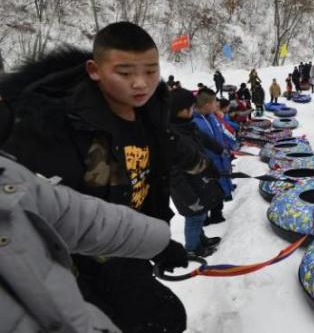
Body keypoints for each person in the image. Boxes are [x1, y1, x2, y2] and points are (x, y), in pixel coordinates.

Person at [0, 21, 187, 332]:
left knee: (169, 318)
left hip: (130, 241)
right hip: (86, 268)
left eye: (151, 71)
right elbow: (56, 216)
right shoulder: (54, 128)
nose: (140, 83)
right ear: (94, 70)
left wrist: (157, 241)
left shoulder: (151, 111)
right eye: (125, 73)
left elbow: (161, 169)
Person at [0, 154, 188, 333]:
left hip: (102, 291)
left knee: (167, 317)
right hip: (91, 277)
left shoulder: (7, 176)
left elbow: (82, 217)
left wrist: (159, 243)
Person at [169, 88, 223, 257]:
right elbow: (173, 175)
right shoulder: (171, 136)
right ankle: (192, 247)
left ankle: (201, 239)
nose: (193, 111)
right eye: (191, 108)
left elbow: (203, 139)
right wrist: (190, 198)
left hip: (198, 181)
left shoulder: (186, 125)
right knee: (194, 217)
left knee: (199, 215)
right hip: (187, 190)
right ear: (182, 111)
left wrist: (219, 149)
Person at [193, 89, 234, 222]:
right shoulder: (195, 123)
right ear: (206, 105)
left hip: (220, 160)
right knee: (208, 192)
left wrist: (227, 148)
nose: (217, 104)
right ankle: (204, 219)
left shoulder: (212, 117)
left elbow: (220, 135)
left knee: (219, 190)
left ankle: (217, 215)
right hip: (207, 164)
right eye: (214, 101)